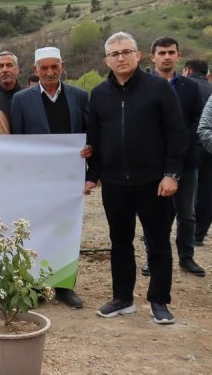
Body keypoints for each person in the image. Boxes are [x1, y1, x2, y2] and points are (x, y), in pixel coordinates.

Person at [85, 32, 186, 325]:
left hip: (154, 182)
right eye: (114, 54)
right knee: (120, 242)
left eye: (125, 52)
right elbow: (96, 139)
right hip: (115, 183)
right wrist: (93, 176)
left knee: (157, 243)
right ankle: (123, 298)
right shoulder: (99, 94)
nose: (121, 58)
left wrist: (172, 174)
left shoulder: (159, 89)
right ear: (107, 60)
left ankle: (159, 300)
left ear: (138, 55)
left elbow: (177, 135)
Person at [9, 47, 90, 309]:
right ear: (35, 70)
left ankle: (64, 286)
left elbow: (89, 133)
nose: (50, 72)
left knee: (66, 231)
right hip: (35, 179)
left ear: (62, 66)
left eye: (54, 67)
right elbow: (17, 142)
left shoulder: (79, 96)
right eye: (44, 68)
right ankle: (33, 286)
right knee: (35, 229)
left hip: (69, 179)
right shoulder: (22, 99)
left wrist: (90, 151)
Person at [144, 37, 205, 277]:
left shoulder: (191, 87)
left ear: (178, 56)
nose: (167, 56)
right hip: (152, 162)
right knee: (154, 214)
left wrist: (181, 145)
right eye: (162, 53)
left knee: (187, 213)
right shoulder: (144, 85)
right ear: (153, 57)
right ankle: (154, 257)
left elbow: (197, 120)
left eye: (171, 52)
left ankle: (186, 256)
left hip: (186, 160)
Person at [184, 59, 212, 245]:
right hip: (209, 149)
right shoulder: (210, 89)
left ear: (187, 70)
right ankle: (199, 234)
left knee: (188, 193)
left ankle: (187, 232)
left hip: (191, 146)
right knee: (207, 191)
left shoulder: (185, 87)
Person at [0, 51, 23, 120]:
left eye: (9, 65)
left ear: (17, 69)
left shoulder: (30, 97)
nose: (5, 70)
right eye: (0, 66)